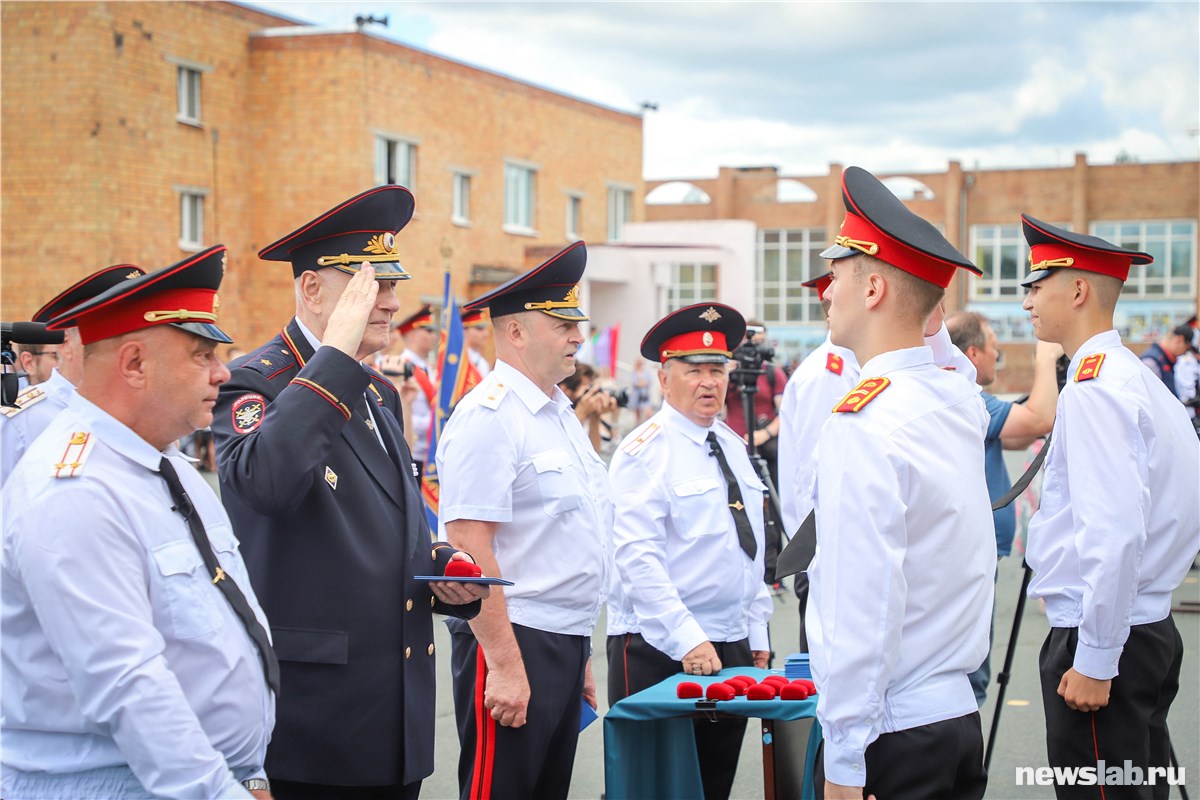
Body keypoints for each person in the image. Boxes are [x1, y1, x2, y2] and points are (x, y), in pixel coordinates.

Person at [211, 186, 486, 800]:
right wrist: (332, 356)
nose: (391, 303)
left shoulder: (376, 392)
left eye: (391, 285)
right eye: (371, 287)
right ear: (312, 291)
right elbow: (268, 482)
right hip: (317, 725)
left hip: (393, 717)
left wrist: (442, 568)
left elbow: (387, 522)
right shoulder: (255, 383)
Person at [2, 246, 276, 799]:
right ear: (133, 364)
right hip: (120, 783)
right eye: (202, 355)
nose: (224, 372)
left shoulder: (164, 461)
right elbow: (128, 686)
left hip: (194, 777)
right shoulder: (76, 491)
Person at [807, 166, 994, 800]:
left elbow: (860, 605)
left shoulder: (865, 421)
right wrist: (927, 300)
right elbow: (945, 362)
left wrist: (845, 761)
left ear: (875, 287)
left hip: (890, 733)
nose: (826, 292)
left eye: (837, 275)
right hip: (952, 718)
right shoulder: (952, 399)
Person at [1019, 214, 1199, 800]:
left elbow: (1115, 532)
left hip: (1104, 637)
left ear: (1077, 290)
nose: (1027, 302)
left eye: (1037, 285)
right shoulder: (1136, 379)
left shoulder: (1096, 389)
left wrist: (1096, 657)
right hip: (1142, 625)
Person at [436, 241, 612, 800]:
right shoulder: (489, 416)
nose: (577, 337)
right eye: (561, 325)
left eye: (576, 325)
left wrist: (579, 650)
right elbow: (468, 547)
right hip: (515, 638)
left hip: (561, 638)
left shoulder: (556, 412)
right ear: (515, 333)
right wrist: (506, 664)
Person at [607, 302, 772, 800]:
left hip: (730, 641)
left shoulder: (731, 444)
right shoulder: (644, 452)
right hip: (662, 647)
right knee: (655, 789)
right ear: (664, 377)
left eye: (717, 369)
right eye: (694, 369)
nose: (709, 382)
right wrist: (687, 640)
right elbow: (638, 558)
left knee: (712, 784)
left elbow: (749, 548)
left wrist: (756, 628)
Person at [946, 311, 1061, 705]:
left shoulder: (970, 400)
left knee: (971, 664)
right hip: (968, 554)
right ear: (974, 353)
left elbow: (1017, 434)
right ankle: (962, 756)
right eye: (996, 348)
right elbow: (1040, 419)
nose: (999, 356)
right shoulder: (967, 396)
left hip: (974, 550)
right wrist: (1045, 358)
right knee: (970, 670)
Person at [1, 265, 145, 486]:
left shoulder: (139, 410)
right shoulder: (20, 420)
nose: (129, 351)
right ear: (67, 343)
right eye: (109, 338)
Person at [385, 304, 438, 470]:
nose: (434, 336)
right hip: (413, 450)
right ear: (413, 334)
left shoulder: (430, 368)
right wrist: (433, 424)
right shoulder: (398, 367)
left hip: (431, 452)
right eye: (428, 331)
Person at [559, 360, 618, 453]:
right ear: (565, 389)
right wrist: (581, 413)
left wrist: (595, 417)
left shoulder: (583, 412)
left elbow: (594, 453)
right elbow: (559, 448)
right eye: (584, 388)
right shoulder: (554, 413)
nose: (589, 394)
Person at [1139, 323, 1192, 398]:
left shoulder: (1165, 360)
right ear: (1179, 340)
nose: (1184, 353)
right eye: (1187, 349)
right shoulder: (1152, 362)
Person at [462, 308, 492, 379]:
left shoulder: (483, 363)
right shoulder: (460, 360)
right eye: (479, 329)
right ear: (464, 330)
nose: (486, 334)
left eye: (485, 329)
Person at [630, 356, 654, 424]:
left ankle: (649, 424)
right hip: (636, 395)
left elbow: (649, 381)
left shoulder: (646, 372)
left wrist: (641, 382)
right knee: (637, 414)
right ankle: (638, 426)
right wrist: (642, 383)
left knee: (648, 412)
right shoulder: (634, 372)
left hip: (644, 395)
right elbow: (634, 382)